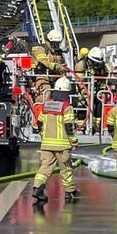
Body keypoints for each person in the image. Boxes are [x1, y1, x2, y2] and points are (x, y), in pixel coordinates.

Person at [32, 77, 78, 205]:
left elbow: (39, 122)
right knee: (66, 169)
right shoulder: (67, 107)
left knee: (45, 167)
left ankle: (37, 188)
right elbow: (69, 127)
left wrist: (43, 135)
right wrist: (73, 141)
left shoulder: (46, 105)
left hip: (46, 144)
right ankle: (69, 192)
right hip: (62, 145)